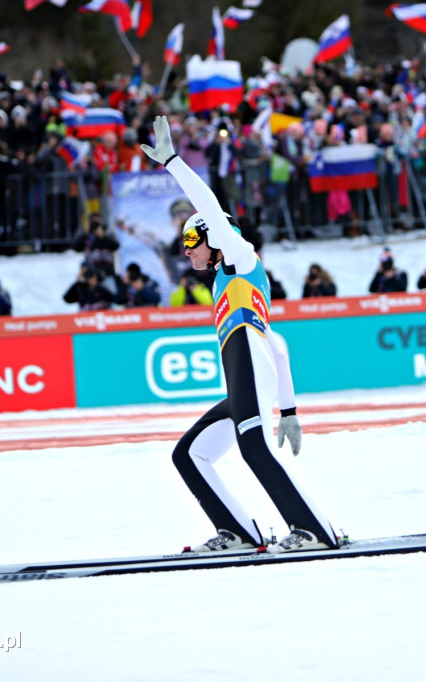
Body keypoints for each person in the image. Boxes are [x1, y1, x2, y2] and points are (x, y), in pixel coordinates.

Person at [141, 114, 339, 553]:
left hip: (248, 363)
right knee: (189, 455)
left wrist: (173, 162)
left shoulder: (237, 257)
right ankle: (239, 533)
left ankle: (316, 532)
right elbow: (278, 347)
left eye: (191, 242)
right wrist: (288, 410)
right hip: (248, 369)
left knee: (253, 448)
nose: (186, 252)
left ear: (213, 238)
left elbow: (209, 207)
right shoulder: (225, 280)